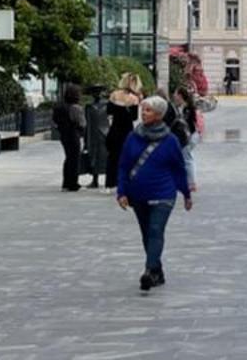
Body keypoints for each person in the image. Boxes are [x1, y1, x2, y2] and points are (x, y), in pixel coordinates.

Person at [116, 94, 193, 291]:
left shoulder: (170, 141)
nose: (143, 112)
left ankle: (149, 271)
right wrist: (121, 192)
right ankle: (157, 271)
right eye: (143, 109)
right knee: (146, 234)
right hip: (138, 194)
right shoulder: (133, 137)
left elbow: (178, 168)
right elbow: (124, 166)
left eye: (148, 110)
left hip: (163, 194)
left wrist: (186, 193)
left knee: (156, 230)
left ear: (159, 114)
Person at [104, 73, 142, 188]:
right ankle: (125, 182)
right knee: (127, 157)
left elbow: (108, 111)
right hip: (127, 131)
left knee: (112, 157)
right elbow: (134, 117)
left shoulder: (114, 95)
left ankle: (110, 183)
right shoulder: (134, 99)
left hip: (115, 129)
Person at [53, 82, 85, 191]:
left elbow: (54, 120)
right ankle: (73, 183)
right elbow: (82, 123)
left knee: (68, 158)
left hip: (63, 134)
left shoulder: (59, 107)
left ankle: (66, 183)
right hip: (74, 134)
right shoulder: (76, 108)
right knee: (75, 158)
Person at [83, 86, 109, 188]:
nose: (97, 94)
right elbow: (87, 122)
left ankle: (108, 180)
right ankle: (95, 180)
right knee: (93, 157)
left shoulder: (107, 105)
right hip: (92, 134)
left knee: (105, 157)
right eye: (95, 93)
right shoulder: (89, 106)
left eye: (99, 92)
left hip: (104, 134)